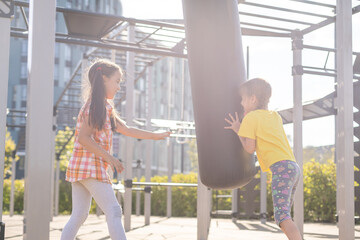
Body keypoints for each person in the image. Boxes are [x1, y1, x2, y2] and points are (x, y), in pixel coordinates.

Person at [61, 59, 170, 240]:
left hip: (81, 166)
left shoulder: (104, 108)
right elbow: (83, 138)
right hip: (90, 166)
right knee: (113, 210)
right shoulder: (95, 107)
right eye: (117, 81)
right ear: (104, 79)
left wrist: (155, 135)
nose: (119, 87)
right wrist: (110, 158)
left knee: (79, 215)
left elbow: (126, 129)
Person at [224, 78, 302, 240]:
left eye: (243, 99)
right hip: (292, 167)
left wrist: (238, 129)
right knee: (285, 215)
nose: (241, 103)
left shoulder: (251, 118)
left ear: (253, 99)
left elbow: (249, 148)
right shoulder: (275, 116)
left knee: (282, 217)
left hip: (281, 168)